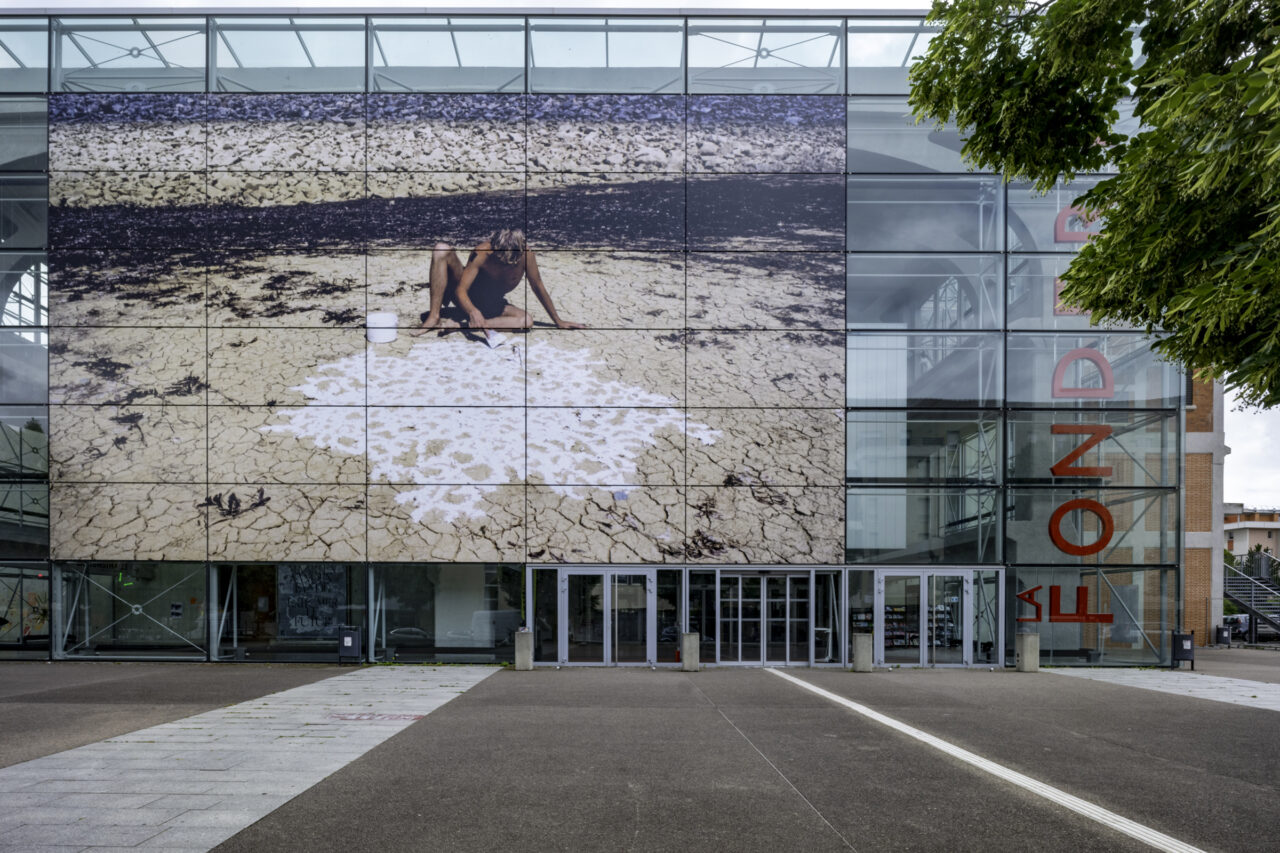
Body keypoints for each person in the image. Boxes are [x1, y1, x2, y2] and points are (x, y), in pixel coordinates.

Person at [410, 229, 584, 343]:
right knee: (441, 248)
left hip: (493, 304)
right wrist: (472, 311)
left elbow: (537, 286)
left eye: (511, 261)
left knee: (526, 321)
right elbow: (460, 290)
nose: (506, 264)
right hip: (466, 297)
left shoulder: (527, 254)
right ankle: (434, 316)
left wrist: (558, 321)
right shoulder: (483, 252)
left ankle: (463, 324)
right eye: (501, 259)